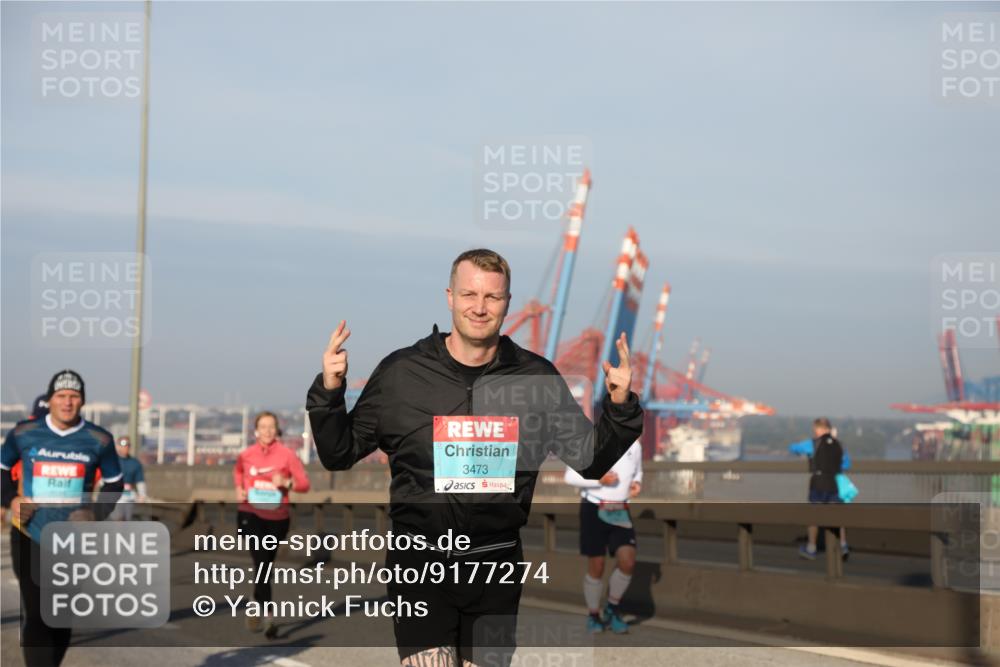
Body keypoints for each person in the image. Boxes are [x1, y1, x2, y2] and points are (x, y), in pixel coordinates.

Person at [307, 248, 643, 667]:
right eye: (469, 295)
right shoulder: (401, 374)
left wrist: (620, 403)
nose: (479, 308)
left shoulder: (536, 379)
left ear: (507, 302)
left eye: (492, 298)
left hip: (496, 566)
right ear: (449, 297)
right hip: (420, 563)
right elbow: (339, 453)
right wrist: (329, 390)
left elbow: (590, 459)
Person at [0, 370, 123, 667]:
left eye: (74, 397)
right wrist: (10, 500)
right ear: (50, 399)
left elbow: (115, 482)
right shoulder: (23, 433)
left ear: (82, 401)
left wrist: (95, 512)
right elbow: (2, 471)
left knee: (61, 614)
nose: (67, 402)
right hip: (30, 532)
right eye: (61, 396)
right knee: (38, 611)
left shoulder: (99, 439)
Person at [233, 411, 311, 638]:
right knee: (261, 563)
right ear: (256, 431)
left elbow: (304, 485)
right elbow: (237, 472)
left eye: (271, 426)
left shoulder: (287, 455)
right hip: (250, 513)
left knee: (265, 565)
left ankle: (256, 602)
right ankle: (269, 618)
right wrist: (239, 488)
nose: (267, 431)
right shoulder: (246, 455)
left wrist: (286, 482)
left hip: (277, 516)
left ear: (277, 430)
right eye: (263, 426)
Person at [564, 440, 642, 634]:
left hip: (620, 510)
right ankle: (593, 615)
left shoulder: (635, 445)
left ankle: (612, 609)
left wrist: (637, 482)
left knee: (628, 561)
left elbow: (638, 470)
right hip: (594, 507)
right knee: (597, 566)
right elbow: (570, 476)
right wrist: (598, 480)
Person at [794, 417, 847, 561]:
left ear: (818, 429)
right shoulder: (839, 444)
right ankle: (842, 546)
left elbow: (793, 448)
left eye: (815, 429)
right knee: (837, 517)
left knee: (814, 517)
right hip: (836, 484)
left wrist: (801, 453)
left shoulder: (812, 444)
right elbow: (846, 464)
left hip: (818, 484)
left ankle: (811, 548)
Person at [107, 436, 148, 521]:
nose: (124, 447)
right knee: (118, 520)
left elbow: (140, 480)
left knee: (127, 520)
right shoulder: (110, 460)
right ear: (117, 446)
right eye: (122, 445)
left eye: (127, 445)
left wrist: (142, 494)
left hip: (129, 498)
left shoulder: (135, 463)